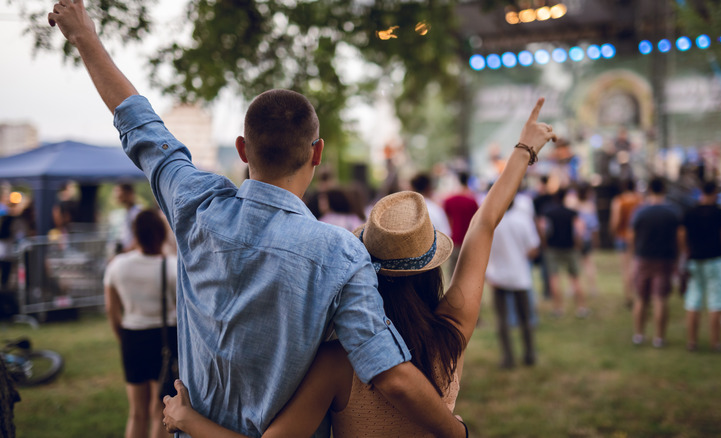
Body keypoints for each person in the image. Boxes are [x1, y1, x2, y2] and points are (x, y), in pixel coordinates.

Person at [49, 2, 468, 437]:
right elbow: (388, 373)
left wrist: (85, 38)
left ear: (243, 149)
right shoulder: (340, 253)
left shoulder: (195, 205)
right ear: (317, 152)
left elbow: (141, 127)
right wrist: (459, 433)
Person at [161, 100, 557, 437]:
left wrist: (189, 420)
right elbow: (483, 223)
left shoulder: (336, 362)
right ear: (432, 267)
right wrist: (524, 149)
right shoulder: (453, 332)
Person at [104, 209, 178, 438]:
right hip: (166, 339)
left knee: (136, 412)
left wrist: (122, 337)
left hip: (132, 337)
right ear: (161, 233)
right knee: (159, 411)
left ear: (135, 233)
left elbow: (111, 309)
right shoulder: (173, 267)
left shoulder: (117, 266)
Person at [678, 181, 721, 351]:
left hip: (695, 259)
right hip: (716, 260)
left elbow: (681, 234)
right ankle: (716, 342)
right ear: (715, 192)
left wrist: (685, 251)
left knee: (693, 299)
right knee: (716, 300)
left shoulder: (690, 212)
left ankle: (692, 342)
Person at [486, 199, 540, 367]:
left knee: (502, 320)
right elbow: (533, 249)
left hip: (497, 276)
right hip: (519, 275)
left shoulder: (491, 222)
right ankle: (529, 354)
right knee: (525, 318)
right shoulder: (522, 220)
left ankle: (508, 358)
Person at [628, 177, 681, 348]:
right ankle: (659, 338)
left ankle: (638, 335)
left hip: (643, 257)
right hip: (664, 259)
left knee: (641, 298)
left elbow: (631, 237)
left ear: (649, 189)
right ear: (664, 189)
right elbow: (680, 238)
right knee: (660, 299)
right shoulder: (673, 211)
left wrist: (633, 255)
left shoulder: (640, 211)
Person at [541, 188, 587, 317]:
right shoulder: (572, 213)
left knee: (554, 278)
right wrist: (578, 243)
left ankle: (558, 309)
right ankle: (581, 308)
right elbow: (579, 230)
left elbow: (543, 229)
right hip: (570, 247)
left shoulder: (549, 213)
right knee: (575, 278)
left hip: (553, 248)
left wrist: (545, 243)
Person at [610, 179, 641, 308]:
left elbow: (615, 220)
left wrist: (613, 232)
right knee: (636, 268)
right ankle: (639, 295)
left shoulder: (619, 200)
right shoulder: (640, 200)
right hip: (638, 237)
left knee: (626, 269)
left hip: (622, 237)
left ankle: (629, 297)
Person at [443, 172, 479, 273]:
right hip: (468, 241)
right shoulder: (472, 201)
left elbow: (446, 220)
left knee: (452, 274)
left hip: (454, 241)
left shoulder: (449, 200)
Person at [575, 182, 600, 296]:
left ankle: (574, 288)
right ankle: (592, 288)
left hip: (577, 238)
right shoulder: (590, 206)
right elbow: (595, 225)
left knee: (576, 264)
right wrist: (596, 239)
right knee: (589, 263)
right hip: (587, 237)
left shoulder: (574, 205)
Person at [410, 172, 452, 238]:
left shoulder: (408, 210)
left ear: (412, 188)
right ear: (428, 188)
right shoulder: (435, 209)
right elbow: (446, 233)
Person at [113, 183, 142, 253]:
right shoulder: (127, 212)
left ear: (128, 193)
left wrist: (127, 251)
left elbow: (139, 236)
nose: (117, 195)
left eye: (119, 192)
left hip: (133, 253)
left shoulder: (136, 213)